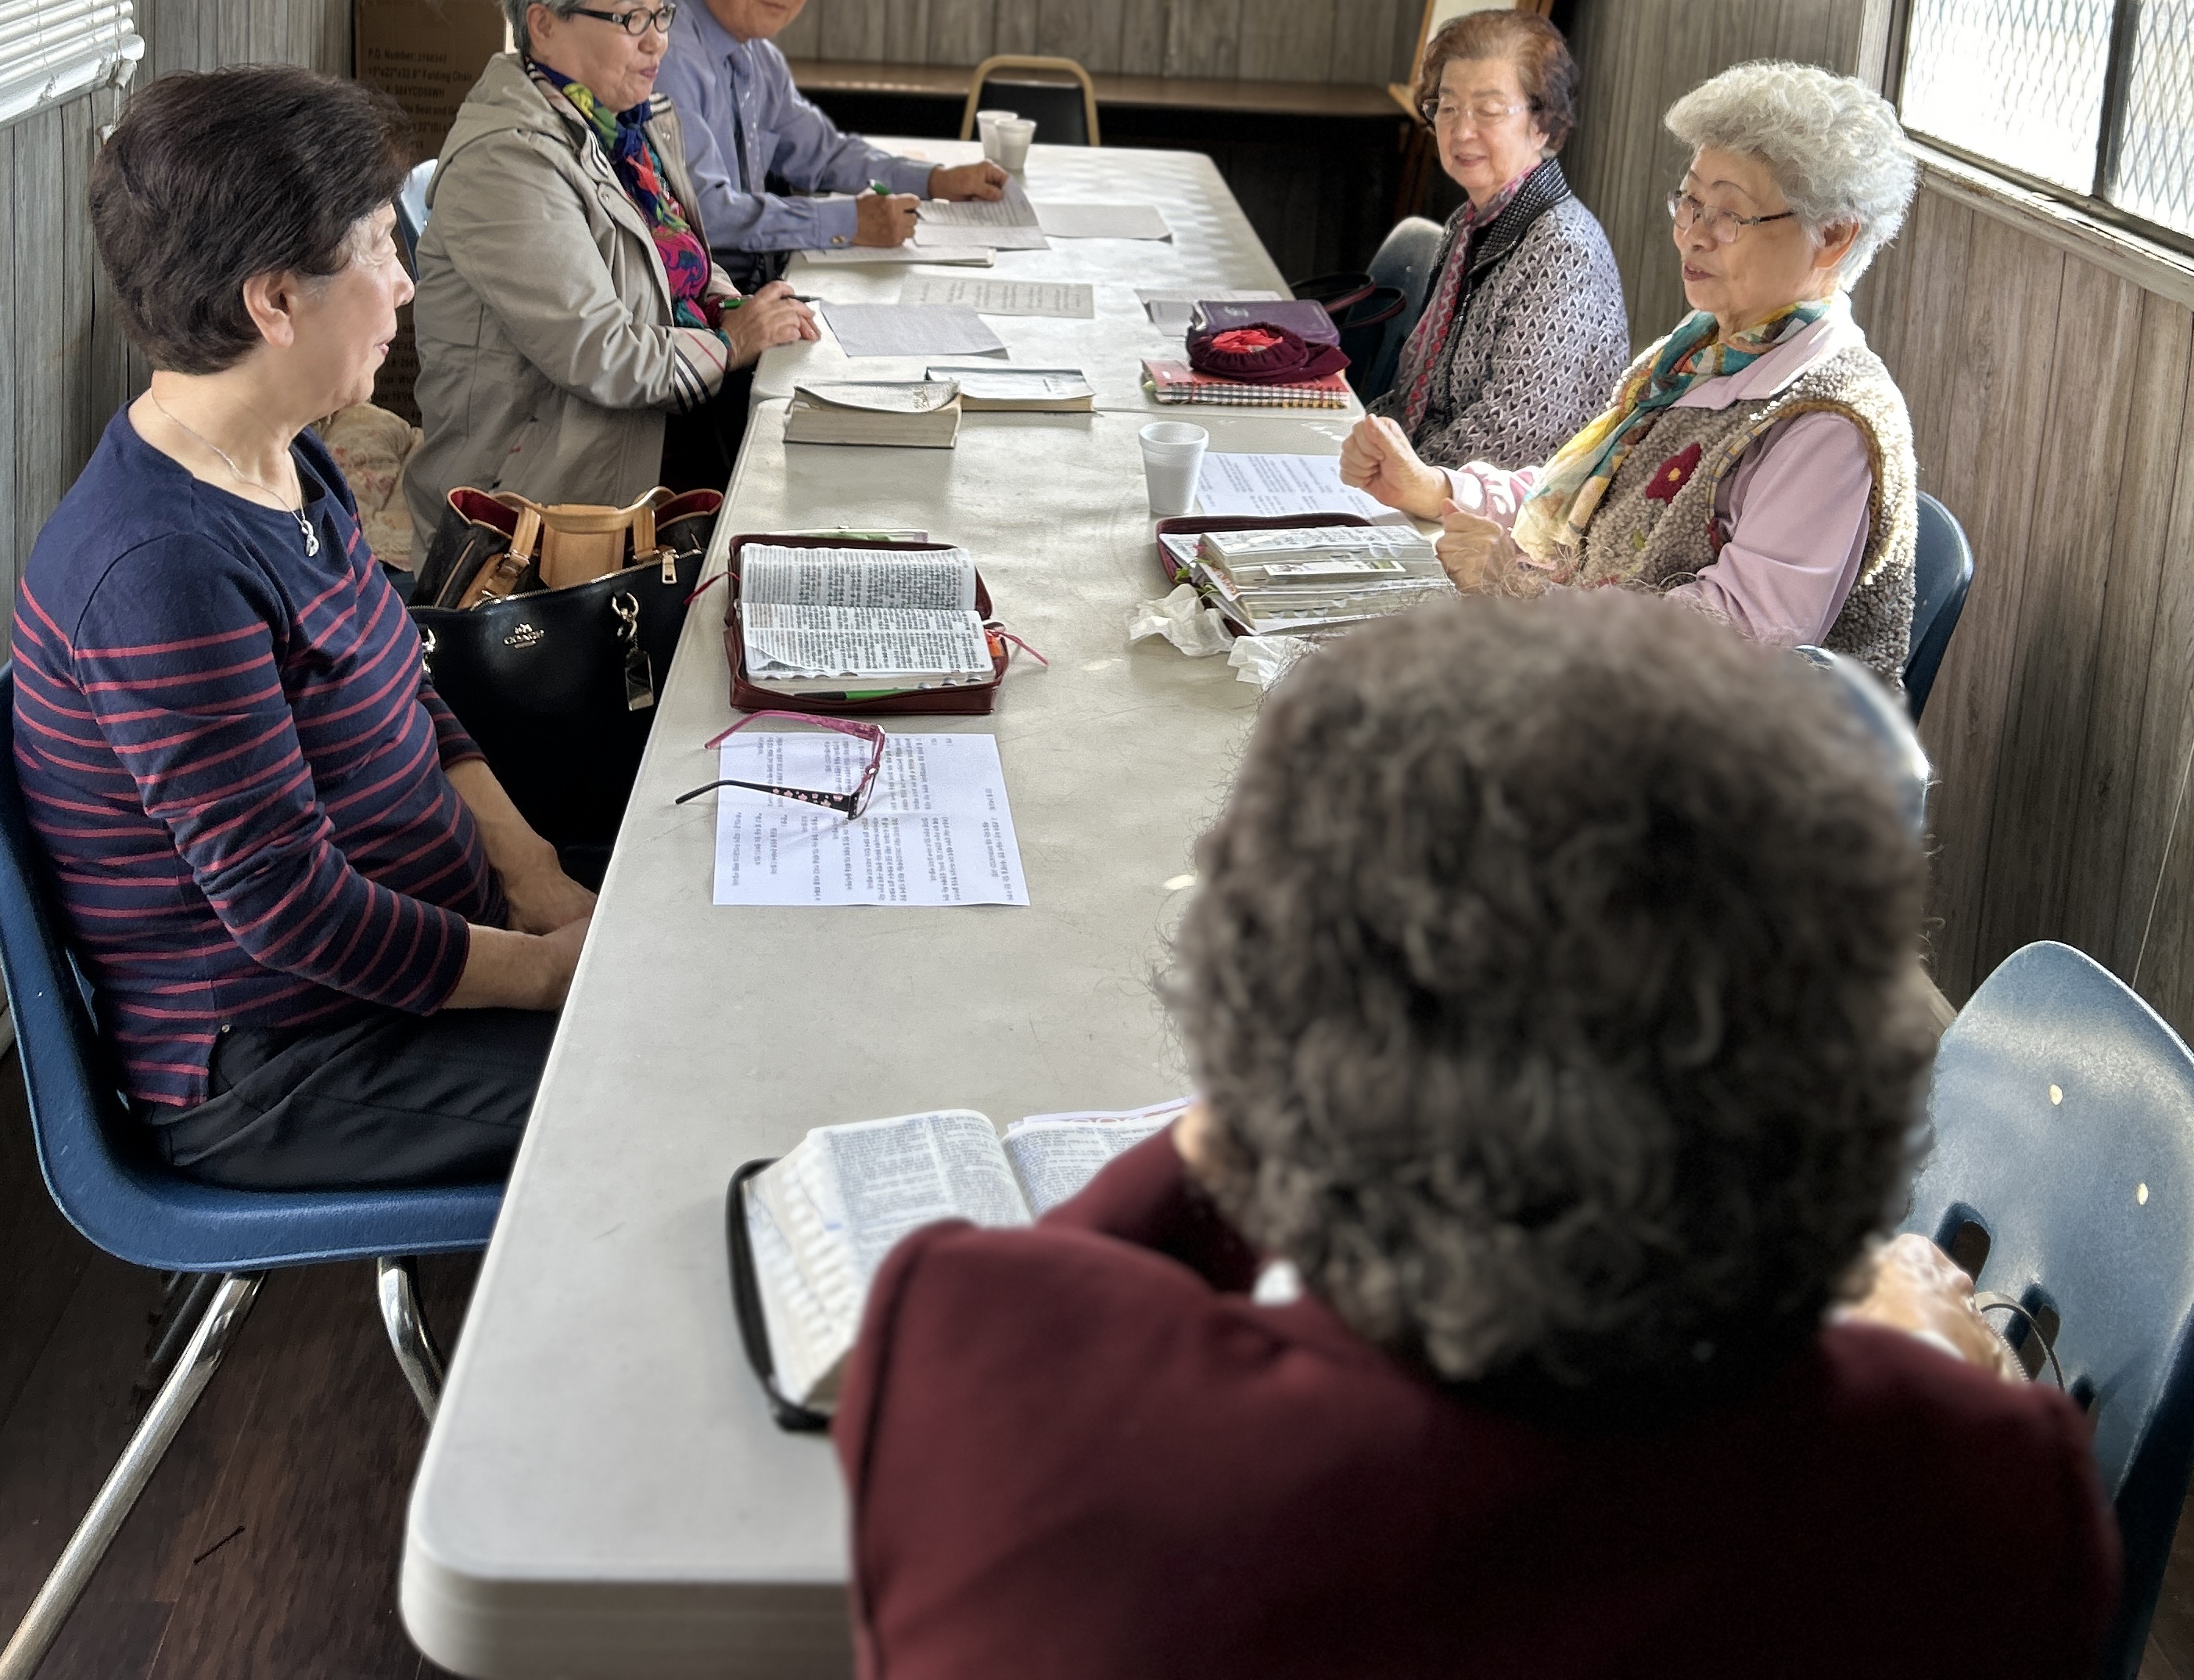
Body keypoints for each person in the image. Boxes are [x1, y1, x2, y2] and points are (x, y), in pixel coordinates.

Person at [831, 600, 2116, 1678]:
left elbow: (1065, 1280)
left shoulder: (980, 1372)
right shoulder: (1987, 1497)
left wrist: (1268, 1084)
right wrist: (1895, 1345)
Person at [12, 68, 592, 1187]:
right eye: (378, 246)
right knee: (680, 1074)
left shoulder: (285, 457)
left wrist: (538, 880)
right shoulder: (163, 571)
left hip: (427, 951)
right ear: (274, 302)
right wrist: (551, 975)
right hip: (289, 1052)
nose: (405, 280)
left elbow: (403, 688)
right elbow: (290, 911)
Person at [1422, 60, 1920, 678]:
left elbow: (1737, 641)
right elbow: (1587, 500)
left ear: (1834, 236)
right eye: (1690, 202)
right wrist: (1444, 492)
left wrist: (1525, 595)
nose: (1693, 236)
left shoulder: (1829, 423)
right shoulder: (1700, 352)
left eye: (1729, 215)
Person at [404, 0, 817, 569]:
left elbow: (684, 265)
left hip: (643, 453)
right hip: (539, 515)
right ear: (544, 24)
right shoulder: (505, 162)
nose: (657, 43)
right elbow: (601, 354)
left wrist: (734, 307)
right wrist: (731, 343)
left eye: (661, 17)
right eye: (630, 20)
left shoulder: (623, 125)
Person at [653, 0, 1009, 283]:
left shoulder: (756, 54)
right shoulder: (663, 51)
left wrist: (936, 180)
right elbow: (704, 215)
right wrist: (849, 222)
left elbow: (824, 155)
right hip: (694, 304)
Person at [1340, 9, 1628, 504]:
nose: (1461, 131)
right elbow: (1425, 397)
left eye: (1489, 110)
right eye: (1448, 107)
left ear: (1542, 124)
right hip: (1435, 492)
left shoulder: (1562, 250)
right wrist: (1369, 444)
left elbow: (1514, 439)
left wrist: (1398, 473)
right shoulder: (1469, 223)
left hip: (1507, 525)